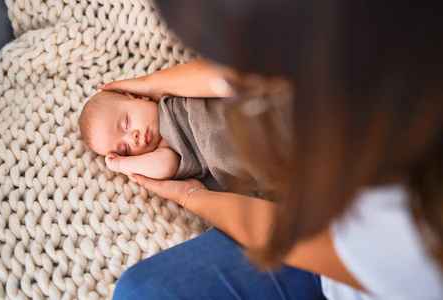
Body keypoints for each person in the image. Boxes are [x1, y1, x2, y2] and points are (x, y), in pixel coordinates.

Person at [106, 1, 443, 299]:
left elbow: (284, 232)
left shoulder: (407, 223)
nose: (134, 138)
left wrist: (190, 195)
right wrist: (151, 85)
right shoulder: (371, 45)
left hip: (333, 244)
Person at [80, 64, 280, 195]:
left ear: (136, 96)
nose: (134, 139)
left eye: (126, 124)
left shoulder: (173, 97)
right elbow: (165, 166)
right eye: (125, 149)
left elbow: (213, 80)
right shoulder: (165, 150)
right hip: (256, 160)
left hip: (257, 112)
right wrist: (123, 164)